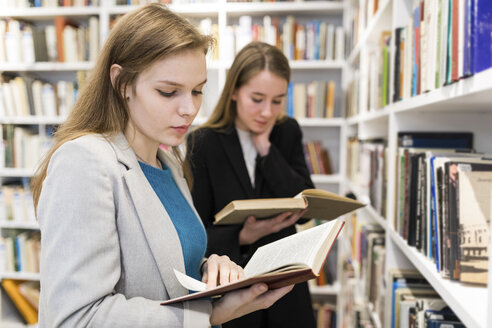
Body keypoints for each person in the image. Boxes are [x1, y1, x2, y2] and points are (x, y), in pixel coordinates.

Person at [30, 5, 293, 328]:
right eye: (168, 92)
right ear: (122, 83)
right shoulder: (84, 162)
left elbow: (164, 268)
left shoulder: (169, 162)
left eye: (197, 91)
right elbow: (76, 318)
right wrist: (210, 314)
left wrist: (212, 268)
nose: (189, 109)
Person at [186, 41, 316, 328]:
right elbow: (195, 232)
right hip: (235, 288)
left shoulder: (287, 131)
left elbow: (304, 204)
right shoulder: (203, 143)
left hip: (287, 284)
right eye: (257, 99)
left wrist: (266, 149)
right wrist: (242, 236)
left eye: (277, 100)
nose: (267, 112)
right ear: (234, 91)